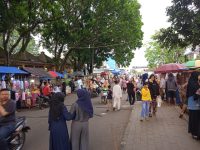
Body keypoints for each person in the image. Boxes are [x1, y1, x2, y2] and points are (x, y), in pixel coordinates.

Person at [186, 71, 200, 140]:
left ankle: (195, 132)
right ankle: (194, 133)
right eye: (198, 75)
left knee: (195, 118)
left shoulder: (193, 82)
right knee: (194, 118)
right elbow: (196, 91)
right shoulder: (193, 83)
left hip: (195, 102)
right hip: (194, 103)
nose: (199, 76)